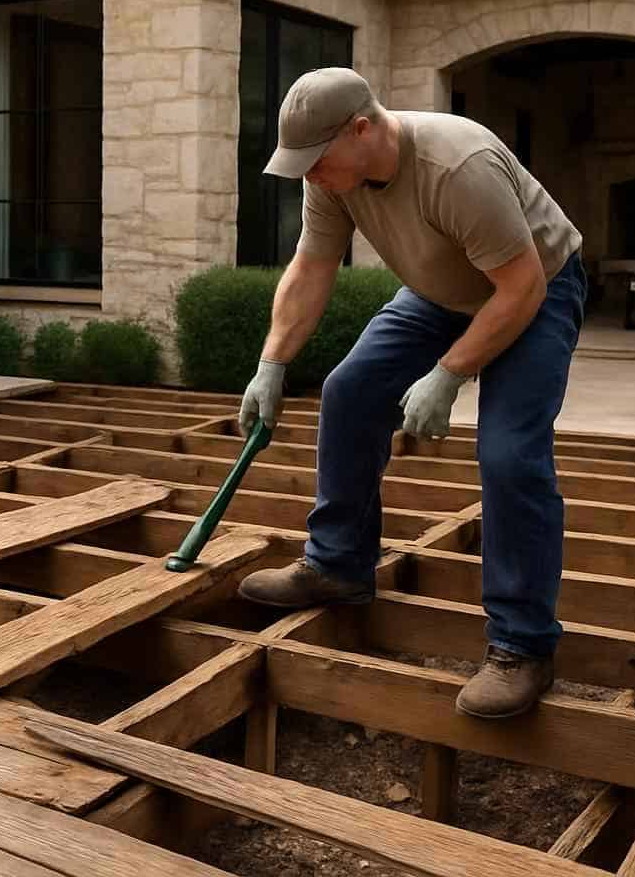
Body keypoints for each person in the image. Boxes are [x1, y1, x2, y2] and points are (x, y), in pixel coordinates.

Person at [236, 68, 586, 719]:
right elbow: (312, 267)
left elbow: (520, 289)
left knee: (509, 453)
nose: (309, 175)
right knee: (349, 391)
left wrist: (449, 375)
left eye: (316, 161)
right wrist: (272, 364)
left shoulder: (459, 166)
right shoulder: (333, 177)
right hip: (438, 293)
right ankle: (337, 564)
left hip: (535, 289)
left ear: (363, 130)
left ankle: (522, 645)